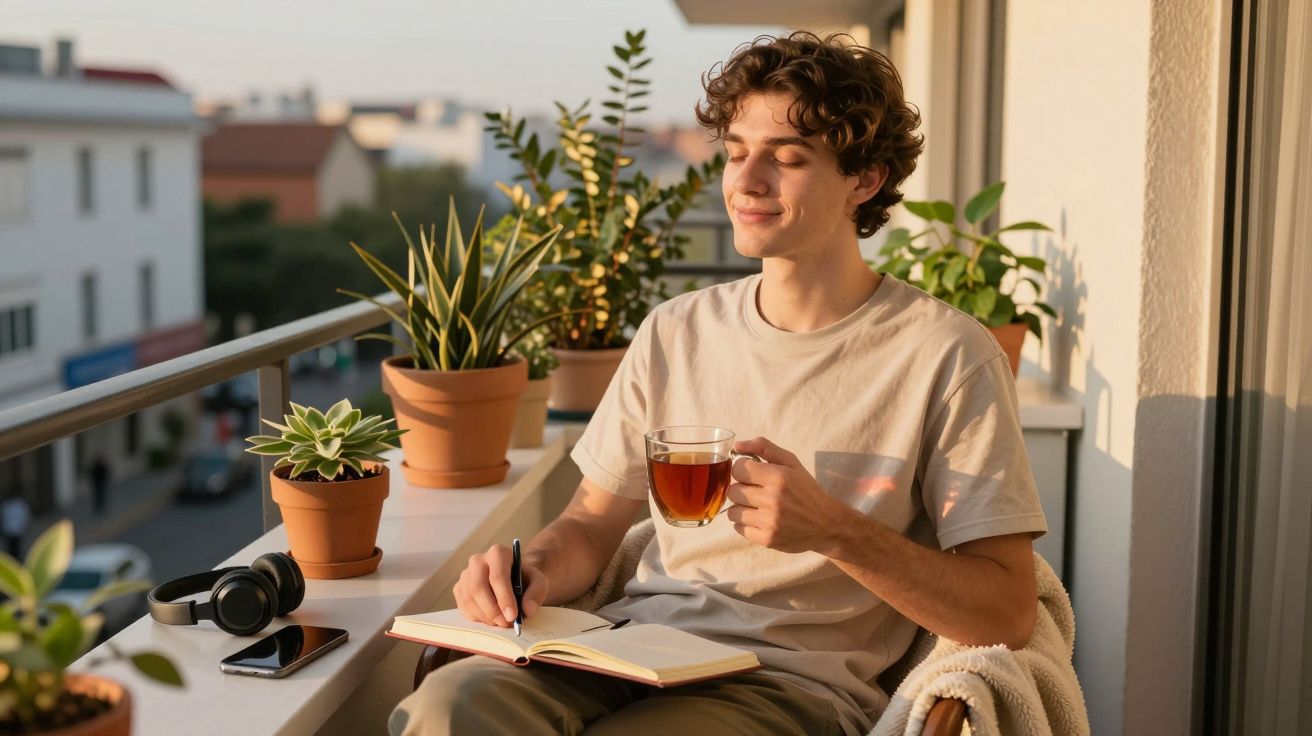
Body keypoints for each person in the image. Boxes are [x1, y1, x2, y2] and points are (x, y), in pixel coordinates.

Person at [392, 31, 1046, 736]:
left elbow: (1008, 610)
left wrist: (835, 532)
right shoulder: (675, 331)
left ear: (865, 180)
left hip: (785, 688)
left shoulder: (946, 355)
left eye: (787, 159)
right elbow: (590, 521)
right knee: (447, 707)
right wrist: (533, 569)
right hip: (627, 651)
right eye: (736, 153)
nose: (746, 181)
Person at [0, 491, 30, 559]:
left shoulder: (17, 504)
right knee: (12, 548)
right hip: (11, 531)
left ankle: (15, 561)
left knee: (15, 548)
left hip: (14, 531)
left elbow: (25, 516)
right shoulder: (7, 505)